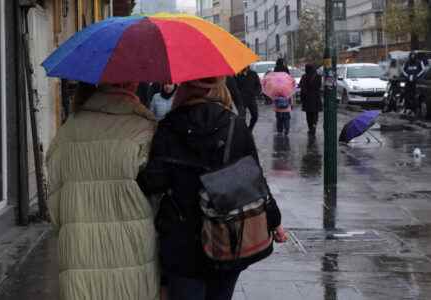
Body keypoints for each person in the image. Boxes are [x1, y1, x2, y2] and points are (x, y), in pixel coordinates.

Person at [138, 77, 287, 300]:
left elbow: (154, 182)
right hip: (227, 237)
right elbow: (254, 180)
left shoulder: (168, 127)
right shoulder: (234, 125)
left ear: (184, 88)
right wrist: (274, 220)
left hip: (182, 241)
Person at [46, 82, 159, 300]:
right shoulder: (144, 127)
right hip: (133, 248)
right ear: (133, 82)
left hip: (79, 249)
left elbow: (54, 201)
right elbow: (157, 193)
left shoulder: (68, 130)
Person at [236, 66, 261, 132]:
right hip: (241, 99)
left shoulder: (253, 74)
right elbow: (235, 87)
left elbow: (258, 85)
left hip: (251, 98)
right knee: (242, 117)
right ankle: (243, 131)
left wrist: (256, 93)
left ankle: (249, 130)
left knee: (255, 116)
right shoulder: (237, 75)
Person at [299, 64, 322, 135]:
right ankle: (314, 125)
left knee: (308, 115)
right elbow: (319, 86)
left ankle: (310, 128)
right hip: (316, 98)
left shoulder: (304, 76)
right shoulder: (318, 77)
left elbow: (301, 86)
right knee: (315, 114)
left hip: (307, 98)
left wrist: (301, 98)